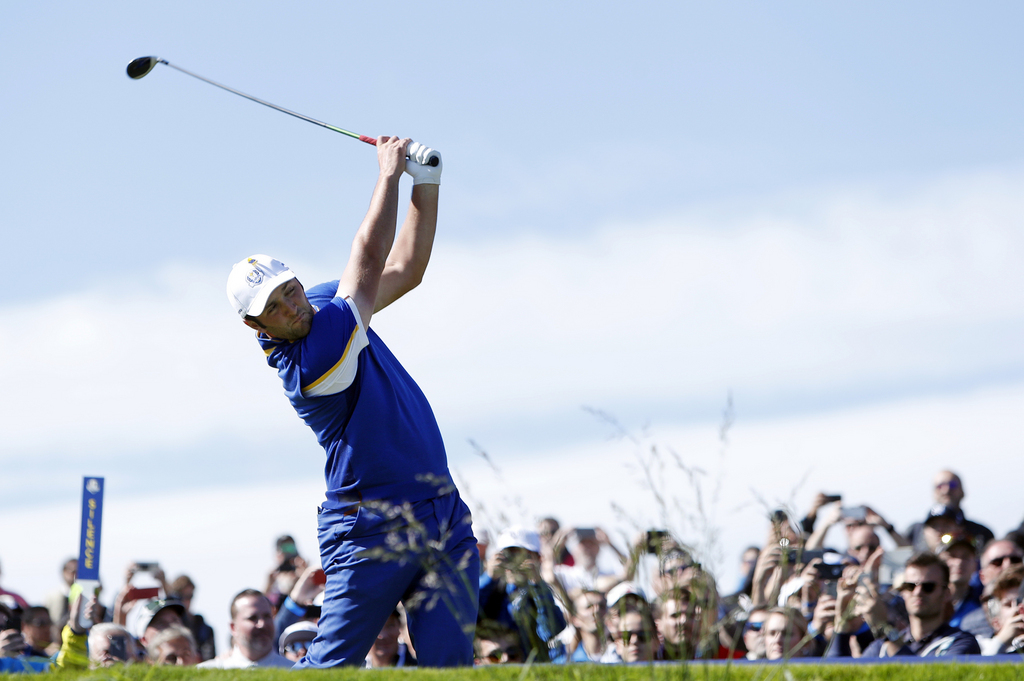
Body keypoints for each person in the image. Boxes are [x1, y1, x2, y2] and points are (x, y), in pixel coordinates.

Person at [226, 137, 477, 668]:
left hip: (441, 509)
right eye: (275, 305)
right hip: (370, 527)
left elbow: (406, 268)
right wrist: (388, 175)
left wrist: (424, 184)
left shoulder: (321, 302)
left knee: (452, 667)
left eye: (289, 288)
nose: (293, 305)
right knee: (331, 668)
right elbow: (367, 261)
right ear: (255, 325)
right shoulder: (310, 361)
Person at [198, 590, 292, 669]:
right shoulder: (207, 673)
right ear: (233, 627)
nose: (262, 624)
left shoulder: (294, 672)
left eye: (267, 616)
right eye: (252, 618)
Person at [907, 471, 993, 553]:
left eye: (952, 485)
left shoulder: (981, 533)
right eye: (940, 486)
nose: (946, 490)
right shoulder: (915, 530)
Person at [960, 539, 1024, 637]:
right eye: (997, 562)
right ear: (982, 576)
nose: (1007, 565)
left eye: (1015, 560)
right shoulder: (972, 624)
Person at [167, 574, 216, 661]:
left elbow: (209, 659)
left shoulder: (203, 628)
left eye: (190, 596)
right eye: (183, 597)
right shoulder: (169, 626)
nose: (187, 601)